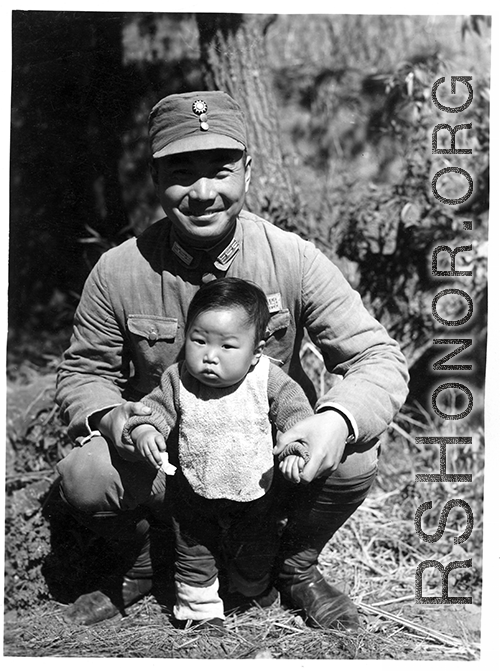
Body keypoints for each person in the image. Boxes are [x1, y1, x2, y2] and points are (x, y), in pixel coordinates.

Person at [55, 89, 409, 631]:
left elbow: (377, 356)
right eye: (180, 172)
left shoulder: (291, 257)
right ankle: (146, 560)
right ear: (154, 177)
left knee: (355, 454)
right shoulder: (119, 271)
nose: (202, 193)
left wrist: (335, 422)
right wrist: (116, 419)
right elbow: (83, 375)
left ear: (248, 170)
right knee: (87, 474)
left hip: (269, 460)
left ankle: (297, 568)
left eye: (220, 170)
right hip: (167, 460)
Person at [121, 277, 315, 630]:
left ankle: (253, 589)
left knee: (254, 551)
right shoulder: (177, 378)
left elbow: (296, 414)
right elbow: (154, 410)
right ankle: (200, 613)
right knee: (194, 552)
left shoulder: (267, 379)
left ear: (256, 351)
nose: (209, 356)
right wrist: (146, 430)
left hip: (254, 490)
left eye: (227, 346)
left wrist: (294, 447)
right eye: (199, 341)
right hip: (194, 492)